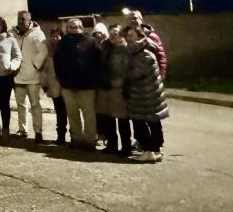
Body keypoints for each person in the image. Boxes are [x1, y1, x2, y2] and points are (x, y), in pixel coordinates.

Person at [54, 18, 102, 150]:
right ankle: (76, 138)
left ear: (81, 27)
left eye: (76, 26)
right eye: (70, 27)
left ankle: (90, 140)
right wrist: (61, 79)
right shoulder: (63, 42)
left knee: (89, 114)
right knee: (72, 114)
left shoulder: (91, 41)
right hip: (68, 86)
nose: (73, 28)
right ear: (67, 29)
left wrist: (93, 79)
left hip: (87, 86)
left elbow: (98, 62)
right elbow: (57, 61)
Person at [124, 25, 169, 162]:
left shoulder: (144, 53)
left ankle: (152, 151)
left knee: (148, 122)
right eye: (128, 36)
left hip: (146, 94)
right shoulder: (136, 51)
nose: (129, 38)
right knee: (149, 122)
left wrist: (122, 74)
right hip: (143, 94)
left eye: (132, 35)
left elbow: (135, 74)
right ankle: (151, 150)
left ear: (139, 36)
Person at [10, 10, 47, 142]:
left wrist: (35, 66)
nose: (21, 21)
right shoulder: (12, 33)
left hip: (33, 76)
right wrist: (11, 66)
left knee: (35, 104)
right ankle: (23, 129)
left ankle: (38, 131)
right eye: (19, 18)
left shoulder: (37, 33)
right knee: (21, 105)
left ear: (30, 20)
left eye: (24, 19)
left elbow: (42, 52)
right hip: (17, 75)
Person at [97, 25, 132, 156]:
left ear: (122, 35)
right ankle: (112, 145)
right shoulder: (107, 49)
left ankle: (126, 147)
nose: (112, 36)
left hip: (120, 88)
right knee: (109, 118)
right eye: (111, 34)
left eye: (116, 34)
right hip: (107, 88)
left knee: (122, 120)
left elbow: (129, 69)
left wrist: (121, 81)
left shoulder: (127, 50)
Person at [41, 27, 68, 145]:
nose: (54, 38)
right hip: (54, 87)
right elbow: (45, 70)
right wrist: (45, 85)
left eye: (57, 36)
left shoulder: (67, 51)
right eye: (53, 36)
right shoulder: (48, 51)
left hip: (67, 86)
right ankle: (61, 137)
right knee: (60, 112)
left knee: (70, 112)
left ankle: (74, 137)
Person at [126, 10, 168, 81]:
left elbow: (161, 57)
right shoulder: (124, 37)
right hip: (131, 79)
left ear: (141, 20)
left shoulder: (152, 36)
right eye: (130, 18)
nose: (133, 20)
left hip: (151, 78)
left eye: (135, 18)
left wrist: (161, 75)